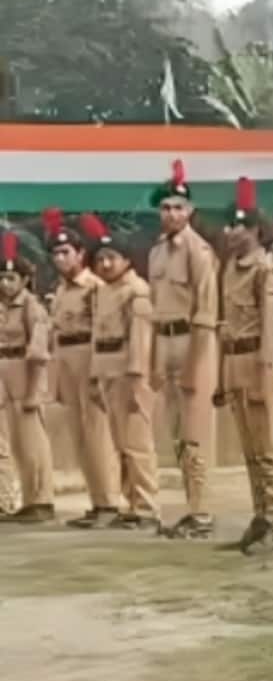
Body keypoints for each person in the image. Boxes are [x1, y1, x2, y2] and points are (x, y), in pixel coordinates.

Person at [146, 159, 222, 540]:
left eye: (178, 207)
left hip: (194, 342)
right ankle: (193, 509)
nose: (171, 213)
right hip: (164, 341)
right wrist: (155, 363)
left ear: (190, 211)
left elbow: (206, 312)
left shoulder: (200, 251)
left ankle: (203, 513)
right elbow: (154, 310)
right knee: (177, 433)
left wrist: (195, 364)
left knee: (196, 432)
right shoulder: (157, 252)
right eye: (165, 207)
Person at [215, 178, 273, 555]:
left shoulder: (265, 270)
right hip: (234, 360)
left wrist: (267, 370)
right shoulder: (229, 268)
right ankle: (259, 517)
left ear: (257, 230)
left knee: (268, 447)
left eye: (239, 225)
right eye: (229, 225)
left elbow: (271, 327)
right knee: (248, 448)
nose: (232, 232)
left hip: (259, 361)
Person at [85, 217, 160, 533]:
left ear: (126, 260)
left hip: (129, 373)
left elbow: (140, 339)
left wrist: (135, 377)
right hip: (107, 369)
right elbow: (97, 337)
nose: (104, 264)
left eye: (111, 258)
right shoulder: (103, 291)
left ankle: (146, 507)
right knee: (120, 443)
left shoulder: (136, 291)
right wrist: (94, 375)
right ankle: (131, 503)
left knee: (137, 443)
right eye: (100, 259)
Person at [45, 212, 119, 529]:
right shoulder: (60, 290)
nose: (61, 259)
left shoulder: (94, 286)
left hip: (89, 357)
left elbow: (103, 330)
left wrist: (98, 371)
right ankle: (95, 501)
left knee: (97, 433)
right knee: (79, 436)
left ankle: (109, 503)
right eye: (56, 254)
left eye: (66, 252)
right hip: (66, 358)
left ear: (80, 254)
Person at [0, 232, 53, 524]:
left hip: (24, 368)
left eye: (11, 278)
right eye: (2, 278)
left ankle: (41, 499)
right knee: (9, 442)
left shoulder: (32, 306)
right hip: (3, 366)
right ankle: (10, 499)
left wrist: (35, 390)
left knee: (32, 438)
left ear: (23, 280)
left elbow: (39, 348)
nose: (5, 284)